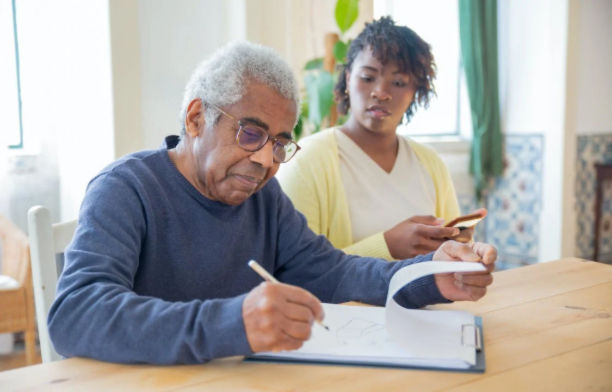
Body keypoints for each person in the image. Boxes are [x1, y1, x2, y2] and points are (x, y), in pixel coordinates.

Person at [48, 41, 497, 365]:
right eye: (250, 133)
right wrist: (229, 323)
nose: (265, 159)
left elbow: (335, 271)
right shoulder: (126, 189)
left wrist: (432, 276)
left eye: (280, 143)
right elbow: (76, 314)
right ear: (196, 117)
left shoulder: (263, 196)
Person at [277, 17, 485, 262]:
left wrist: (463, 250)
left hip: (423, 301)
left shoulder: (430, 163)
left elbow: (451, 257)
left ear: (415, 93)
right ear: (347, 79)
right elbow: (295, 268)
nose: (381, 92)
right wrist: (386, 246)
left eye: (398, 83)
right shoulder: (307, 161)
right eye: (367, 77)